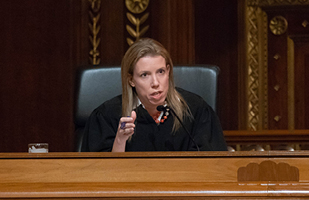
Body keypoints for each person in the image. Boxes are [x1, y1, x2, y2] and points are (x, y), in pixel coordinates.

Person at [81, 38, 227, 152]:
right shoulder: (107, 116)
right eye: (145, 75)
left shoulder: (196, 110)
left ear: (168, 71)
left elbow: (213, 165)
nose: (155, 83)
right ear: (131, 80)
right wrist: (120, 140)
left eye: (161, 72)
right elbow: (100, 176)